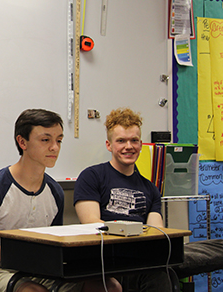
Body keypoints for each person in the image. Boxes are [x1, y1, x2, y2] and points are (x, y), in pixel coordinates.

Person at [0, 109, 121, 292]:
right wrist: (14, 252)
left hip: (33, 270)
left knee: (108, 287)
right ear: (22, 142)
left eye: (59, 141)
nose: (55, 148)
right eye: (45, 140)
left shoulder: (54, 192)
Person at [73, 107, 170, 291]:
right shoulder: (92, 177)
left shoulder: (150, 189)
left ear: (141, 145)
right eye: (121, 141)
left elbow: (157, 231)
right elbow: (92, 224)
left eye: (134, 140)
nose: (129, 146)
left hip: (140, 261)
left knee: (160, 274)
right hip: (104, 262)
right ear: (109, 145)